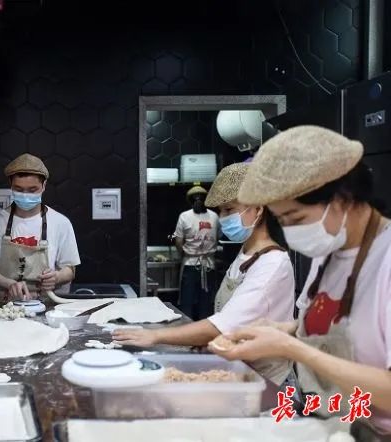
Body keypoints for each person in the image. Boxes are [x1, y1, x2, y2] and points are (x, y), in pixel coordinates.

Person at [209, 126, 391, 439]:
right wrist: (278, 330)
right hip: (333, 423)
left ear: (342, 199)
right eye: (282, 221)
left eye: (296, 219)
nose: (291, 234)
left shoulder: (385, 260)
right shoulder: (330, 251)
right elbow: (332, 324)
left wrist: (291, 348)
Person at [114, 163, 296, 385]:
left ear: (258, 209)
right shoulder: (245, 253)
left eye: (229, 209)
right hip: (240, 373)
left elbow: (224, 325)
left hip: (268, 382)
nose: (222, 217)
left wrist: (155, 336)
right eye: (220, 211)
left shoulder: (272, 263)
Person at [0, 153, 80, 301]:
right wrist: (10, 284)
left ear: (44, 186)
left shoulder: (61, 223)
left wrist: (56, 277)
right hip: (6, 307)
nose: (25, 195)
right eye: (18, 189)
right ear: (11, 185)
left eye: (32, 190)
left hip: (48, 307)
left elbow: (70, 269)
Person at [173, 185, 220, 320]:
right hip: (192, 264)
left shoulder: (214, 217)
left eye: (201, 198)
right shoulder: (185, 217)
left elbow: (217, 236)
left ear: (206, 200)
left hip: (207, 264)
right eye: (195, 199)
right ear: (191, 201)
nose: (198, 200)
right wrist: (186, 254)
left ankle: (200, 328)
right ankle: (188, 327)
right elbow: (178, 240)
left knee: (205, 300)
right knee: (189, 300)